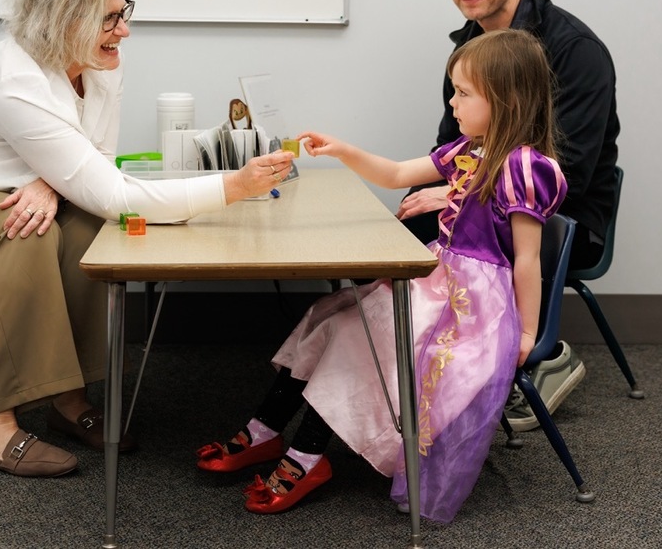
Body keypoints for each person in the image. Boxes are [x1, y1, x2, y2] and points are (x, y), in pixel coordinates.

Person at [0, 0, 294, 478]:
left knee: (90, 229)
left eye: (122, 12)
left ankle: (68, 398)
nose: (124, 30)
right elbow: (114, 191)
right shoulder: (15, 80)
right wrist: (233, 186)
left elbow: (97, 162)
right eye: (110, 18)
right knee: (20, 235)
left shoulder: (98, 63)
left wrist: (52, 183)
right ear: (63, 20)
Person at [196, 29, 566, 522]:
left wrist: (525, 330)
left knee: (356, 337)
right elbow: (395, 174)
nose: (452, 102)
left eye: (463, 93)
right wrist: (343, 149)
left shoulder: (525, 167)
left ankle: (307, 458)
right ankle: (266, 430)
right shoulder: (469, 150)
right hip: (437, 279)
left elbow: (527, 259)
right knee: (328, 317)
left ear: (506, 99)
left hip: (473, 307)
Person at [398, 0, 620, 431]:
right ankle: (420, 362)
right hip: (489, 201)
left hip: (560, 216)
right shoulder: (471, 45)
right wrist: (444, 191)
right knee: (407, 223)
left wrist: (460, 197)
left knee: (425, 229)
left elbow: (570, 170)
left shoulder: (574, 50)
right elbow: (450, 146)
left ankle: (534, 356)